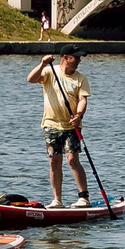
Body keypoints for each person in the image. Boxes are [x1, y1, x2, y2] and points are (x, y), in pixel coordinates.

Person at [26, 51, 94, 207]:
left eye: (79, 58)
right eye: (75, 58)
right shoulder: (49, 71)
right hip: (51, 124)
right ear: (65, 57)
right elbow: (31, 79)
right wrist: (43, 63)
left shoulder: (81, 78)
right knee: (54, 161)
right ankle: (57, 200)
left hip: (72, 125)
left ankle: (83, 198)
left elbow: (82, 100)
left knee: (72, 160)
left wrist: (79, 115)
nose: (78, 61)